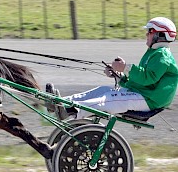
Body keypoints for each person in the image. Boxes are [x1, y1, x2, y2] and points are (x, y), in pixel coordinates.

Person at [47, 17, 178, 120]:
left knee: (109, 99)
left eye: (150, 31)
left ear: (160, 35)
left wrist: (126, 67)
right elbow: (141, 81)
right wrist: (118, 76)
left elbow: (147, 78)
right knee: (102, 90)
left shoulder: (162, 56)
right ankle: (60, 103)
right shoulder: (154, 53)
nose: (146, 34)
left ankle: (69, 111)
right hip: (143, 94)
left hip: (149, 100)